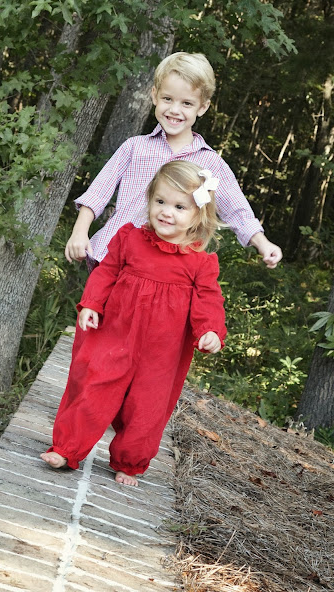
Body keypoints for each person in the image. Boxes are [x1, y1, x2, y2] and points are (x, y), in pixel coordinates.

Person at [41, 161, 227, 486]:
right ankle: (67, 448)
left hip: (162, 349)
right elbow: (106, 272)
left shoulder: (200, 262)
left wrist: (209, 330)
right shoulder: (129, 238)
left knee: (147, 405)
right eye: (160, 201)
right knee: (93, 385)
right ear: (150, 200)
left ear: (198, 215)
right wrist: (92, 303)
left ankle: (129, 461)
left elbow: (208, 299)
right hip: (115, 332)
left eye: (179, 207)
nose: (166, 212)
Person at [65, 51, 282, 271]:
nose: (175, 110)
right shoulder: (135, 147)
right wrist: (80, 232)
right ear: (154, 96)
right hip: (115, 258)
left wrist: (262, 243)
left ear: (203, 107)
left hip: (164, 270)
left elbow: (237, 210)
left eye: (187, 103)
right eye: (167, 99)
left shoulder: (210, 163)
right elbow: (98, 192)